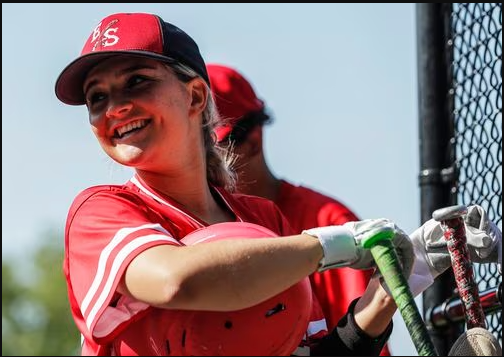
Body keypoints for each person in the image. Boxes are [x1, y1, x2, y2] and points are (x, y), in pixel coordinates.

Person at [55, 12, 501, 356]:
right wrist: (329, 246)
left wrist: (397, 280)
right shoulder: (100, 212)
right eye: (97, 97)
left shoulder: (263, 219)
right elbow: (176, 280)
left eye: (137, 82)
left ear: (194, 96)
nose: (115, 107)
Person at [206, 63, 378, 335]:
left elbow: (366, 339)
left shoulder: (327, 222)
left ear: (252, 142)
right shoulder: (184, 226)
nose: (201, 164)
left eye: (213, 150)